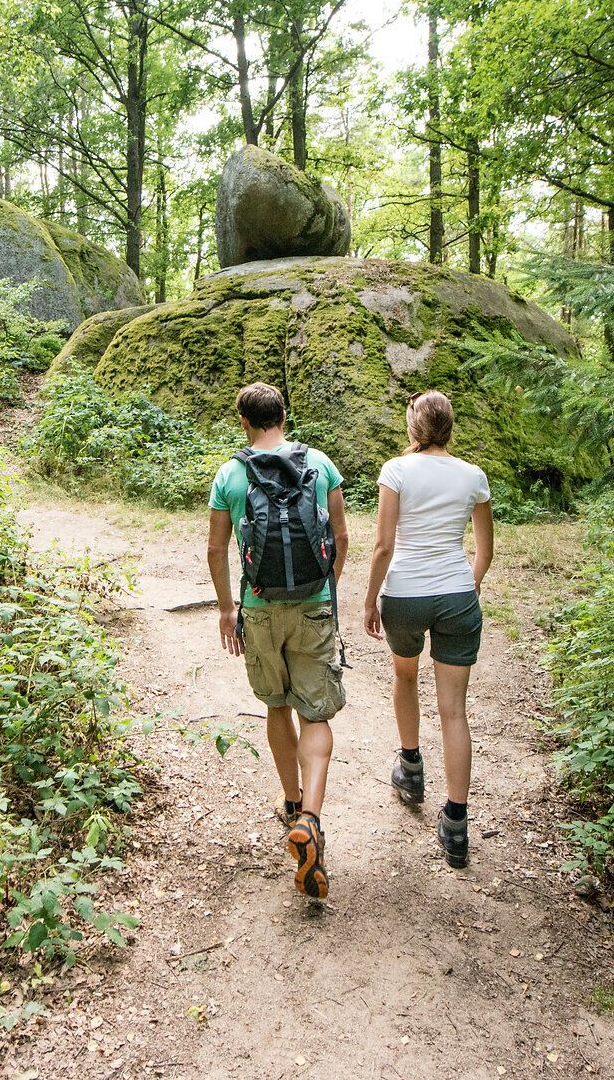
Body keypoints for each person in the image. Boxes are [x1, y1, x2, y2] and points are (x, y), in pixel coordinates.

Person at [207, 382, 349, 899]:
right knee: (316, 713)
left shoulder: (230, 473)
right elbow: (341, 535)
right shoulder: (321, 464)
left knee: (276, 704)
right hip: (312, 603)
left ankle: (290, 803)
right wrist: (325, 592)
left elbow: (216, 546)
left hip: (261, 607)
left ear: (243, 422)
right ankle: (310, 818)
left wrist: (228, 608)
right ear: (283, 416)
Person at [361, 390, 493, 869]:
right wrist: (468, 586)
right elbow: (484, 550)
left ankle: (411, 769)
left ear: (414, 428)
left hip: (405, 596)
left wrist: (369, 599)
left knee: (405, 676)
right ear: (450, 427)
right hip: (457, 595)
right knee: (454, 711)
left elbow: (383, 545)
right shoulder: (473, 476)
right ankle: (456, 825)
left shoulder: (396, 470)